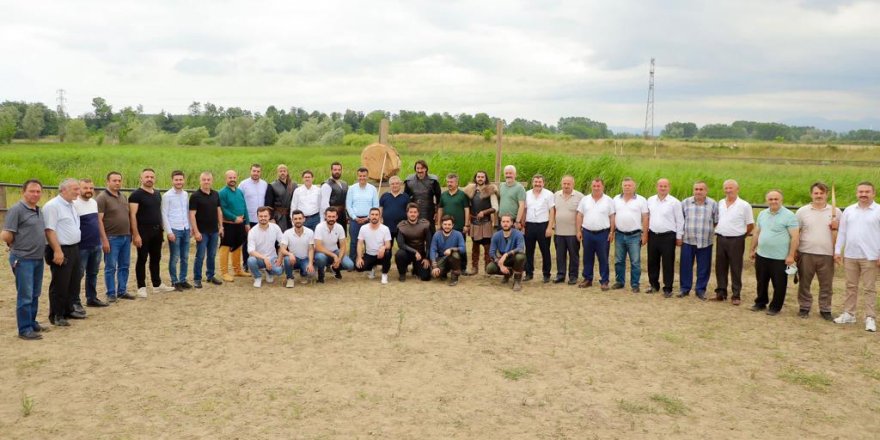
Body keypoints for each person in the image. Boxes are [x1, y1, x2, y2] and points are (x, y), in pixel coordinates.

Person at [833, 181, 880, 332]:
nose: (863, 194)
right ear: (856, 193)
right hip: (851, 255)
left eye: (867, 192)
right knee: (850, 286)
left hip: (871, 256)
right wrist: (838, 250)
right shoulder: (849, 210)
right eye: (861, 192)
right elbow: (842, 232)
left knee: (869, 288)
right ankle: (849, 314)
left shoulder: (878, 210)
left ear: (873, 193)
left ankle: (870, 318)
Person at [2, 179, 46, 339]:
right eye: (32, 191)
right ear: (23, 192)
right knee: (25, 295)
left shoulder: (38, 210)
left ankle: (32, 322)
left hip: (37, 258)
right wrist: (12, 244)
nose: (35, 194)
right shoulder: (16, 210)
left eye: (38, 191)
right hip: (23, 259)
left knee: (35, 293)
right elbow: (6, 233)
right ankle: (24, 329)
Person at [749, 190, 800, 315]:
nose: (773, 201)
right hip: (762, 255)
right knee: (761, 281)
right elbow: (757, 232)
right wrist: (752, 249)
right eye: (770, 199)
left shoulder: (789, 215)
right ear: (767, 200)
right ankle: (760, 302)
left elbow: (795, 237)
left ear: (781, 200)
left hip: (780, 257)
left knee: (779, 284)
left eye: (776, 199)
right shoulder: (762, 214)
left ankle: (775, 307)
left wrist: (791, 255)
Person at [795, 182, 841, 320]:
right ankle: (804, 307)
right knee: (804, 283)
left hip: (827, 253)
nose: (819, 196)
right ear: (811, 194)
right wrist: (794, 251)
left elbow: (843, 233)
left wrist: (836, 227)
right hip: (806, 252)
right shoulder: (802, 211)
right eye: (816, 193)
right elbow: (796, 232)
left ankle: (825, 309)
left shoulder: (836, 212)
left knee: (826, 284)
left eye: (822, 193)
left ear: (827, 194)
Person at [43, 178, 85, 326]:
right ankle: (56, 314)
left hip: (74, 247)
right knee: (60, 283)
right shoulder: (52, 206)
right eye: (75, 189)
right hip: (61, 249)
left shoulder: (71, 205)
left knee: (73, 281)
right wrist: (57, 250)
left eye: (78, 189)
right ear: (63, 190)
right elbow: (49, 229)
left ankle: (68, 310)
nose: (78, 192)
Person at [130, 168, 175, 298]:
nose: (149, 179)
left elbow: (158, 213)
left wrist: (162, 229)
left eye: (151, 177)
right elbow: (132, 215)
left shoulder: (157, 193)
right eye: (147, 177)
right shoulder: (136, 195)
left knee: (156, 258)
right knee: (142, 258)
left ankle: (157, 284)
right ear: (141, 178)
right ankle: (141, 286)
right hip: (143, 231)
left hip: (157, 231)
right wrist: (136, 234)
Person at [714, 179, 754, 305]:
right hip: (721, 238)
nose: (728, 190)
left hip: (736, 240)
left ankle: (736, 295)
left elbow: (750, 225)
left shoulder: (744, 205)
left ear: (737, 189)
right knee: (720, 267)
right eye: (726, 188)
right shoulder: (720, 203)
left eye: (731, 188)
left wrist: (741, 236)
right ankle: (721, 292)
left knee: (736, 267)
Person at [96, 171, 135, 301]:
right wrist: (104, 239)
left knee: (124, 265)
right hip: (111, 238)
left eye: (119, 180)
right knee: (110, 266)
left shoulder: (123, 196)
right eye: (114, 180)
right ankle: (111, 293)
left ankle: (122, 290)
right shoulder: (102, 198)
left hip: (125, 236)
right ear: (108, 182)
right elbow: (99, 220)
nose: (117, 183)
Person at [679, 181, 718, 300]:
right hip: (688, 240)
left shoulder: (713, 204)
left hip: (705, 241)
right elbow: (681, 220)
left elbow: (716, 221)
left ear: (706, 191)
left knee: (704, 267)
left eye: (701, 189)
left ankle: (700, 290)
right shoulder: (685, 202)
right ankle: (685, 289)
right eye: (696, 189)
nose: (698, 191)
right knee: (685, 266)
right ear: (693, 190)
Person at [576, 178, 615, 291]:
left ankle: (604, 281)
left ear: (603, 187)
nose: (596, 188)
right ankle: (587, 279)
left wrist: (612, 232)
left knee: (603, 258)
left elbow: (612, 217)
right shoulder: (585, 199)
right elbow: (579, 215)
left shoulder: (608, 200)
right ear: (591, 186)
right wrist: (578, 230)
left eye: (598, 186)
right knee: (587, 257)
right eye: (594, 186)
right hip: (587, 233)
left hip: (603, 234)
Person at [646, 178, 684, 297]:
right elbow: (647, 217)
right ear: (657, 187)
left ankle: (668, 287)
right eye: (660, 186)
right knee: (652, 261)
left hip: (668, 236)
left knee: (668, 262)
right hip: (653, 235)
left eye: (665, 186)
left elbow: (680, 220)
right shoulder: (650, 200)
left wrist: (679, 236)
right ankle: (653, 285)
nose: (662, 188)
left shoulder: (675, 202)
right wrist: (645, 233)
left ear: (669, 187)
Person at [74, 178, 108, 307]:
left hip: (95, 244)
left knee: (93, 273)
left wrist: (103, 239)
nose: (89, 191)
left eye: (91, 188)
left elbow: (98, 222)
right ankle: (75, 301)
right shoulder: (75, 204)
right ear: (79, 189)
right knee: (78, 274)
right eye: (85, 188)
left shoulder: (93, 202)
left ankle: (91, 298)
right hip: (81, 246)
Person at [611, 177, 648, 293]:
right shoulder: (616, 199)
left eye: (629, 185)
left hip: (635, 235)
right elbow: (612, 216)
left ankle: (635, 284)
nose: (627, 187)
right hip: (619, 235)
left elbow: (645, 218)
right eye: (625, 185)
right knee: (619, 260)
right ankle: (620, 281)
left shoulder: (641, 200)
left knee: (635, 261)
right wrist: (611, 232)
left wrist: (645, 234)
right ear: (622, 186)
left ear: (634, 187)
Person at [189, 171, 224, 288]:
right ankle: (197, 278)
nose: (206, 182)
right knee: (200, 255)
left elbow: (219, 211)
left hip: (214, 231)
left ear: (211, 181)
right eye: (204, 179)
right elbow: (192, 215)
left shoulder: (216, 194)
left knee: (212, 254)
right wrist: (196, 231)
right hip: (202, 232)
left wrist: (221, 226)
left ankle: (210, 275)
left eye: (208, 180)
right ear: (200, 181)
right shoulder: (195, 196)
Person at [461, 170, 497, 275]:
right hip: (474, 222)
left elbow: (495, 207)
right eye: (478, 177)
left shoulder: (490, 190)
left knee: (487, 246)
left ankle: (487, 267)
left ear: (485, 178)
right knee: (475, 246)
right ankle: (474, 268)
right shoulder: (470, 191)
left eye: (482, 177)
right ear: (475, 178)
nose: (480, 178)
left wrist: (484, 212)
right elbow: (466, 206)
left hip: (486, 222)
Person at [161, 170, 192, 291]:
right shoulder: (167, 196)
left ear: (184, 180)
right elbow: (164, 214)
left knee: (185, 257)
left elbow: (187, 212)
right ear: (172, 180)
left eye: (181, 179)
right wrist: (169, 232)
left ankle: (183, 279)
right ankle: (175, 281)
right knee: (175, 257)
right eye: (176, 180)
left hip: (185, 228)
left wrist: (190, 228)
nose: (179, 182)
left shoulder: (185, 194)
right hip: (174, 229)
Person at [219, 170, 250, 282]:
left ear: (237, 178)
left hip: (240, 223)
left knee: (238, 246)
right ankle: (224, 272)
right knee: (225, 247)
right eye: (230, 177)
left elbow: (244, 207)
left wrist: (246, 223)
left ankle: (237, 270)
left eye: (234, 177)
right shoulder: (222, 192)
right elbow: (222, 209)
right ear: (226, 179)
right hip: (228, 224)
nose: (232, 179)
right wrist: (234, 218)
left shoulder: (240, 191)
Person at [523, 174, 555, 283]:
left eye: (540, 182)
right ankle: (528, 273)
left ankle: (546, 274)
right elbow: (525, 210)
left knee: (545, 251)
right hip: (529, 225)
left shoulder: (549, 194)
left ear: (543, 183)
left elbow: (552, 211)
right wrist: (523, 225)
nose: (537, 184)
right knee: (529, 251)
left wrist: (550, 227)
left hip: (543, 225)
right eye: (535, 182)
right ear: (532, 183)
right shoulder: (527, 194)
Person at [553, 175, 584, 284]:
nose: (566, 186)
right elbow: (553, 211)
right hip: (558, 232)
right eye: (564, 184)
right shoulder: (556, 195)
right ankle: (560, 275)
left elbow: (582, 214)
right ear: (561, 184)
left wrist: (579, 230)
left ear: (573, 184)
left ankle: (573, 276)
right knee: (560, 255)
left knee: (573, 255)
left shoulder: (580, 197)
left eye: (568, 184)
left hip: (573, 232)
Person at [437, 173, 470, 273]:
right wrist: (439, 223)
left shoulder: (462, 195)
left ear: (457, 183)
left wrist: (466, 224)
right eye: (447, 182)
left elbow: (467, 210)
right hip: (446, 226)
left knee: (461, 247)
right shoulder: (443, 195)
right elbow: (440, 209)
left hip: (459, 226)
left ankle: (463, 268)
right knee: (446, 246)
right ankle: (449, 266)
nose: (449, 184)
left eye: (451, 182)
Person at [238, 163, 267, 270]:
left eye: (258, 171)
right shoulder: (243, 184)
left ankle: (260, 263)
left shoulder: (264, 184)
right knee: (247, 241)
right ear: (250, 171)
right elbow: (240, 201)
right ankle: (246, 263)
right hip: (248, 218)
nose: (256, 173)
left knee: (261, 241)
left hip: (262, 219)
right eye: (254, 171)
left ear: (260, 172)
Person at [314, 207, 355, 282]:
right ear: (325, 216)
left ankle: (335, 268)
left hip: (335, 251)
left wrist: (339, 259)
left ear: (336, 217)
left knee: (350, 265)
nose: (331, 219)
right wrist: (334, 256)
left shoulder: (339, 227)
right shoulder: (319, 227)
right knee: (320, 257)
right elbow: (318, 247)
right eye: (329, 216)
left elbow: (343, 246)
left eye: (333, 217)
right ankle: (321, 274)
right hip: (322, 253)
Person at [346, 167, 379, 260]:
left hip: (368, 220)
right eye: (360, 176)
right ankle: (352, 261)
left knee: (369, 241)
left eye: (364, 176)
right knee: (354, 242)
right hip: (354, 220)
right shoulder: (352, 189)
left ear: (367, 176)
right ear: (357, 176)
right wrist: (354, 217)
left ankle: (369, 262)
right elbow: (348, 205)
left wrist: (368, 217)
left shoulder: (372, 189)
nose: (362, 178)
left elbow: (375, 205)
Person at [486, 214, 526, 291]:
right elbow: (492, 252)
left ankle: (517, 280)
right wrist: (499, 264)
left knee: (520, 256)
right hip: (503, 260)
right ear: (501, 223)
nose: (505, 224)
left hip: (515, 259)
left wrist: (507, 254)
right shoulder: (496, 235)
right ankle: (507, 273)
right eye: (503, 221)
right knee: (489, 268)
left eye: (507, 221)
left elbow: (520, 248)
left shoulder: (518, 234)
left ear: (511, 223)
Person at [246, 206, 284, 288]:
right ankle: (257, 277)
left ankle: (269, 272)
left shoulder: (275, 227)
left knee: (279, 271)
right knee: (251, 260)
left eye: (265, 216)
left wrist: (280, 258)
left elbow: (282, 244)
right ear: (257, 217)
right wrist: (264, 258)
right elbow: (251, 250)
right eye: (260, 216)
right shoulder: (252, 231)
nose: (263, 218)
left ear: (269, 217)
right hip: (258, 258)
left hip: (272, 257)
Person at [395, 203, 432, 282]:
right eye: (411, 212)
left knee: (426, 277)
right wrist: (414, 251)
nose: (413, 214)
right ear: (407, 213)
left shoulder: (425, 224)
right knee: (399, 254)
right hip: (407, 253)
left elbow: (429, 243)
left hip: (420, 253)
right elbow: (400, 244)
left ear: (418, 213)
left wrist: (427, 258)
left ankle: (416, 269)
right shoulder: (401, 226)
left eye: (415, 212)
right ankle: (402, 273)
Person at [279, 210, 316, 288]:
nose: (298, 221)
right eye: (295, 219)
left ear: (304, 219)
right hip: (293, 259)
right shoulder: (287, 233)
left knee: (311, 274)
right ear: (292, 220)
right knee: (286, 259)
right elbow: (282, 249)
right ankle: (290, 278)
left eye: (300, 218)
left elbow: (311, 249)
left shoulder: (310, 232)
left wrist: (310, 263)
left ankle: (303, 274)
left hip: (305, 259)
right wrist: (290, 254)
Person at [355, 207, 392, 284]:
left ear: (379, 216)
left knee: (388, 252)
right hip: (369, 254)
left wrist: (383, 247)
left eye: (376, 215)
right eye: (372, 214)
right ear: (369, 216)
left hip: (381, 255)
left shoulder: (385, 229)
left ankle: (384, 275)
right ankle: (371, 269)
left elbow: (388, 244)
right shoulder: (363, 228)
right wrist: (359, 257)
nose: (374, 216)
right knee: (358, 267)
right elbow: (359, 243)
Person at [404, 160, 442, 234]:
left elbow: (439, 197)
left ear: (426, 169)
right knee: (415, 232)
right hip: (414, 211)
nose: (420, 170)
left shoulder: (433, 181)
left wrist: (437, 211)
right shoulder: (409, 181)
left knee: (430, 232)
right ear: (415, 169)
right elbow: (406, 197)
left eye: (422, 168)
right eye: (418, 168)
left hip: (429, 211)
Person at [430, 215, 466, 286]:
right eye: (445, 224)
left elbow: (463, 249)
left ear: (452, 225)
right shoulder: (437, 235)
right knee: (436, 275)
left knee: (455, 254)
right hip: (442, 259)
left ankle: (454, 276)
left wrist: (451, 249)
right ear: (442, 225)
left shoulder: (458, 234)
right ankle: (444, 273)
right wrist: (434, 266)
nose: (447, 226)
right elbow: (433, 249)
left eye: (449, 224)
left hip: (453, 258)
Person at [264, 164, 296, 231]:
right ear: (277, 173)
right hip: (278, 216)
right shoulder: (272, 185)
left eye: (284, 171)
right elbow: (268, 204)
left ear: (287, 173)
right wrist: (271, 218)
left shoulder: (293, 185)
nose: (282, 173)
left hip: (291, 215)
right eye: (280, 171)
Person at [379, 176, 409, 247]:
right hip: (387, 227)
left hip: (401, 227)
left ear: (400, 184)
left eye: (396, 183)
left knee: (403, 247)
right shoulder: (384, 196)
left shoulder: (405, 196)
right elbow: (380, 208)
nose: (394, 185)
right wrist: (380, 219)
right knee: (387, 248)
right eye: (392, 184)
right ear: (389, 185)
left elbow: (408, 210)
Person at [320, 161, 348, 227]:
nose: (337, 172)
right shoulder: (326, 185)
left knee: (342, 235)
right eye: (335, 170)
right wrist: (329, 217)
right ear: (331, 170)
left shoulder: (344, 184)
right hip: (332, 215)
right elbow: (324, 204)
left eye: (339, 170)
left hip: (342, 215)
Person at [499, 165, 526, 230]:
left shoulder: (519, 188)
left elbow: (522, 205)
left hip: (513, 221)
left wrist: (517, 221)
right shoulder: (501, 185)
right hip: (502, 220)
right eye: (506, 173)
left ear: (515, 174)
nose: (508, 175)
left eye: (510, 173)